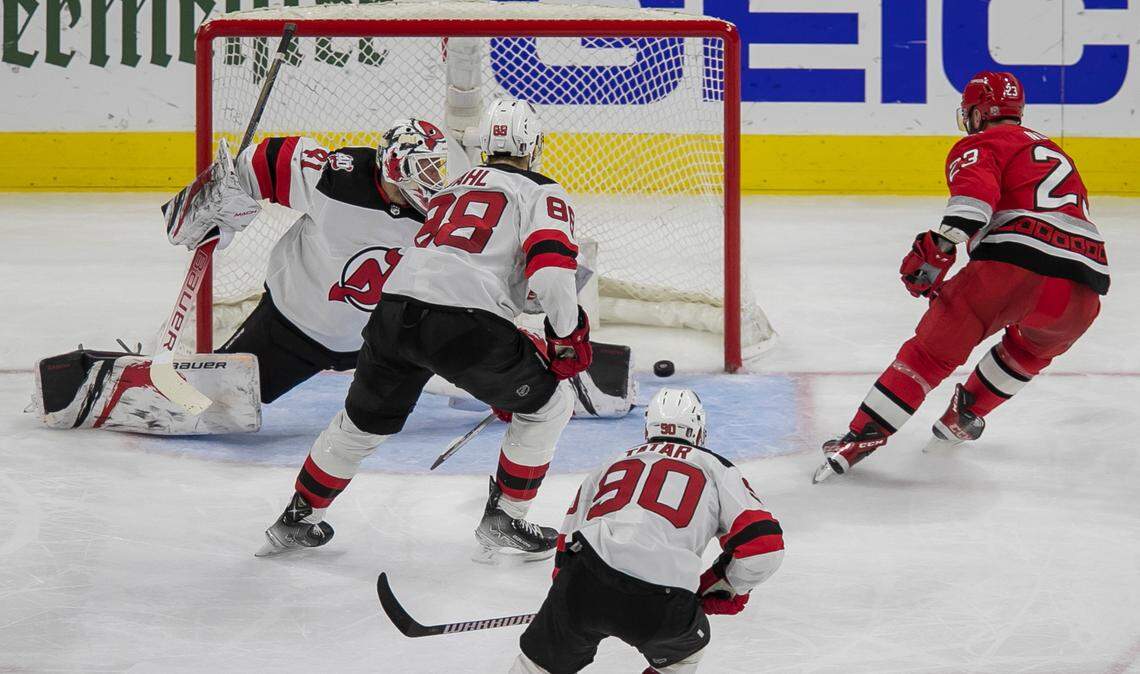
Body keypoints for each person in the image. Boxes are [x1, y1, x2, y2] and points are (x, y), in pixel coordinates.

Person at [255, 99, 591, 560]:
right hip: (466, 326)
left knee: (359, 424)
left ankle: (298, 518)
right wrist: (565, 340)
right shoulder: (541, 191)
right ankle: (507, 516)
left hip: (392, 314)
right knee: (550, 405)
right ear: (533, 146)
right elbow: (551, 276)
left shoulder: (450, 189)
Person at [813, 71, 1109, 483]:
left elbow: (972, 207)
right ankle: (965, 414)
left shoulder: (979, 143)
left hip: (1012, 271)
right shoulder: (1055, 151)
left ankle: (865, 434)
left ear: (977, 112)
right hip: (1083, 291)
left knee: (930, 353)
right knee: (1027, 352)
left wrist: (939, 247)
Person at [168, 119, 450, 404]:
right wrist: (220, 199)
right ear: (396, 164)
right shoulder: (338, 179)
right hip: (293, 329)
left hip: (380, 346)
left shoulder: (440, 215)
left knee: (466, 350)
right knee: (215, 400)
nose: (434, 179)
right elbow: (262, 161)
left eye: (436, 168)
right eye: (425, 167)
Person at [512, 388, 785, 674]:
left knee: (535, 667)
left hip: (585, 578)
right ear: (700, 430)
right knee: (684, 656)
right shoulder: (717, 468)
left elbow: (567, 544)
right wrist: (726, 584)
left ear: (647, 426)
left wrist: (566, 603)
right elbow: (764, 547)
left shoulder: (610, 464)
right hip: (661, 600)